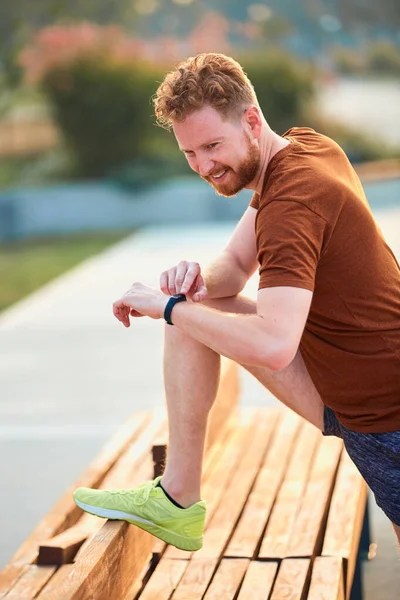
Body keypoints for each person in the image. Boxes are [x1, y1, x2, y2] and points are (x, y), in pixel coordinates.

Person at [73, 53, 400, 550]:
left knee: (182, 316)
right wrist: (193, 281)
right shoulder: (305, 149)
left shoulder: (293, 201)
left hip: (387, 416)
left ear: (250, 121)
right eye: (190, 154)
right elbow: (231, 269)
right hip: (353, 384)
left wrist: (166, 307)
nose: (204, 166)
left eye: (212, 145)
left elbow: (272, 344)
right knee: (189, 317)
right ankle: (178, 496)